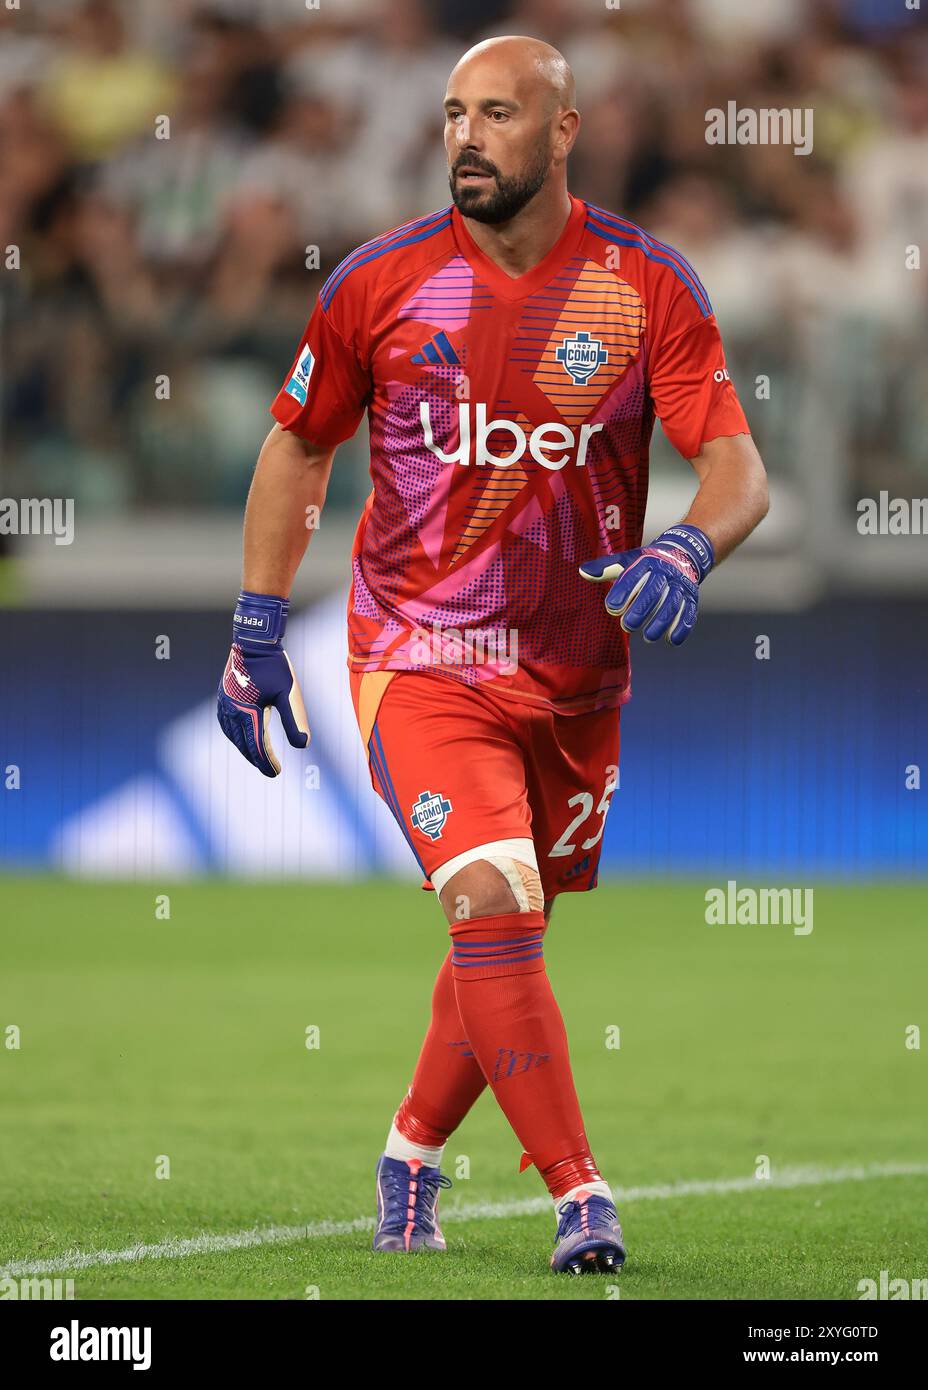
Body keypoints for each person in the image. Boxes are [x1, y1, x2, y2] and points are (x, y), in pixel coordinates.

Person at [217, 35, 768, 1275]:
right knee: (490, 901)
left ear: (564, 131)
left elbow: (735, 465)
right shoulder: (381, 281)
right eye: (454, 112)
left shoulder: (644, 285)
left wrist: (684, 549)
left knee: (503, 933)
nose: (466, 136)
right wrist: (257, 623)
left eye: (499, 114)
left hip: (574, 675)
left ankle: (409, 1154)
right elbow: (299, 446)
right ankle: (580, 1193)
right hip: (418, 651)